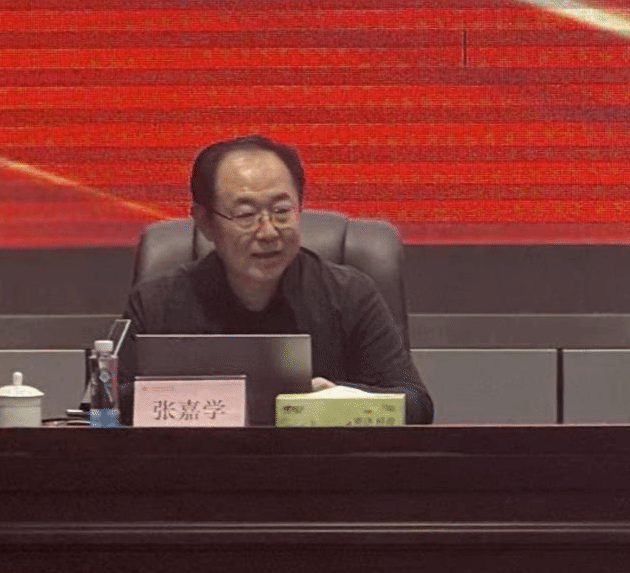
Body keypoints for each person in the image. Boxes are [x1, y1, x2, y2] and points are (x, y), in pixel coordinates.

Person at [119, 134, 433, 425]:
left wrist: (340, 399)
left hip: (317, 464)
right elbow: (108, 404)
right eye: (246, 215)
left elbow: (416, 405)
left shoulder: (349, 295)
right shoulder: (156, 303)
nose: (269, 232)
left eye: (282, 211)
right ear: (205, 222)